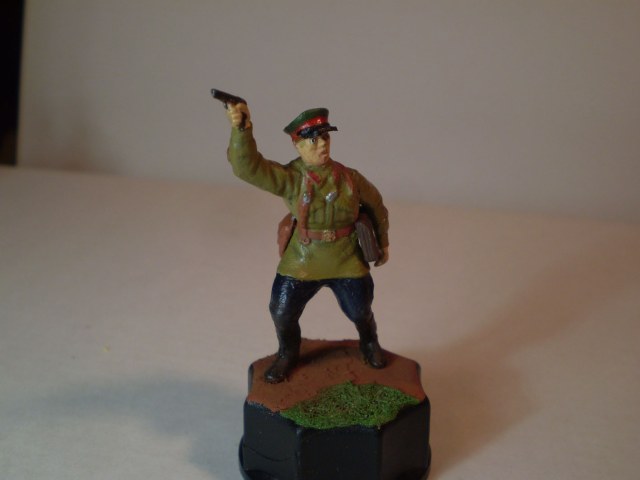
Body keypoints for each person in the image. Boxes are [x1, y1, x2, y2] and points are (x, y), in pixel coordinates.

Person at [224, 101, 390, 383]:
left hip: (346, 257)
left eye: (325, 137)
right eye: (312, 140)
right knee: (281, 310)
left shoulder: (350, 178)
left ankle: (370, 342)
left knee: (361, 309)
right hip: (303, 258)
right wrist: (242, 129)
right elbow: (246, 168)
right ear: (297, 145)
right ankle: (288, 352)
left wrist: (382, 243)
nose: (321, 144)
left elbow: (376, 206)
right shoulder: (291, 178)